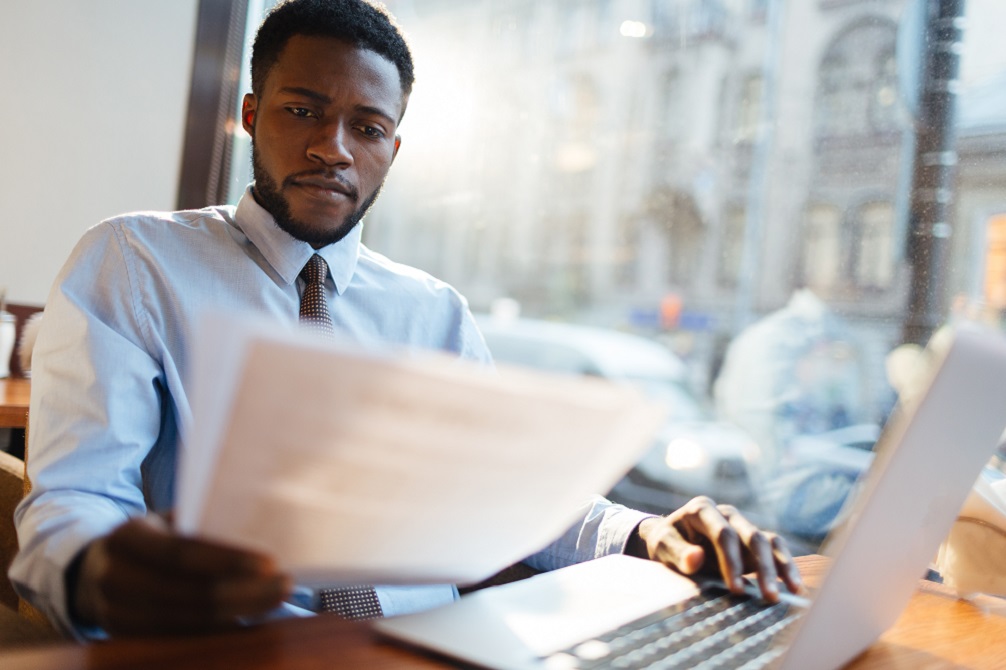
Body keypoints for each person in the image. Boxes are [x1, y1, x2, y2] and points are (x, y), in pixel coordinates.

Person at [10, 0, 802, 638]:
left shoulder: (432, 311)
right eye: (303, 110)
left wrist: (643, 533)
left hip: (429, 646)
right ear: (250, 114)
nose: (334, 148)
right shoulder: (134, 260)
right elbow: (74, 499)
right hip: (239, 648)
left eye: (368, 127)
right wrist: (95, 572)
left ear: (394, 145)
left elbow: (506, 492)